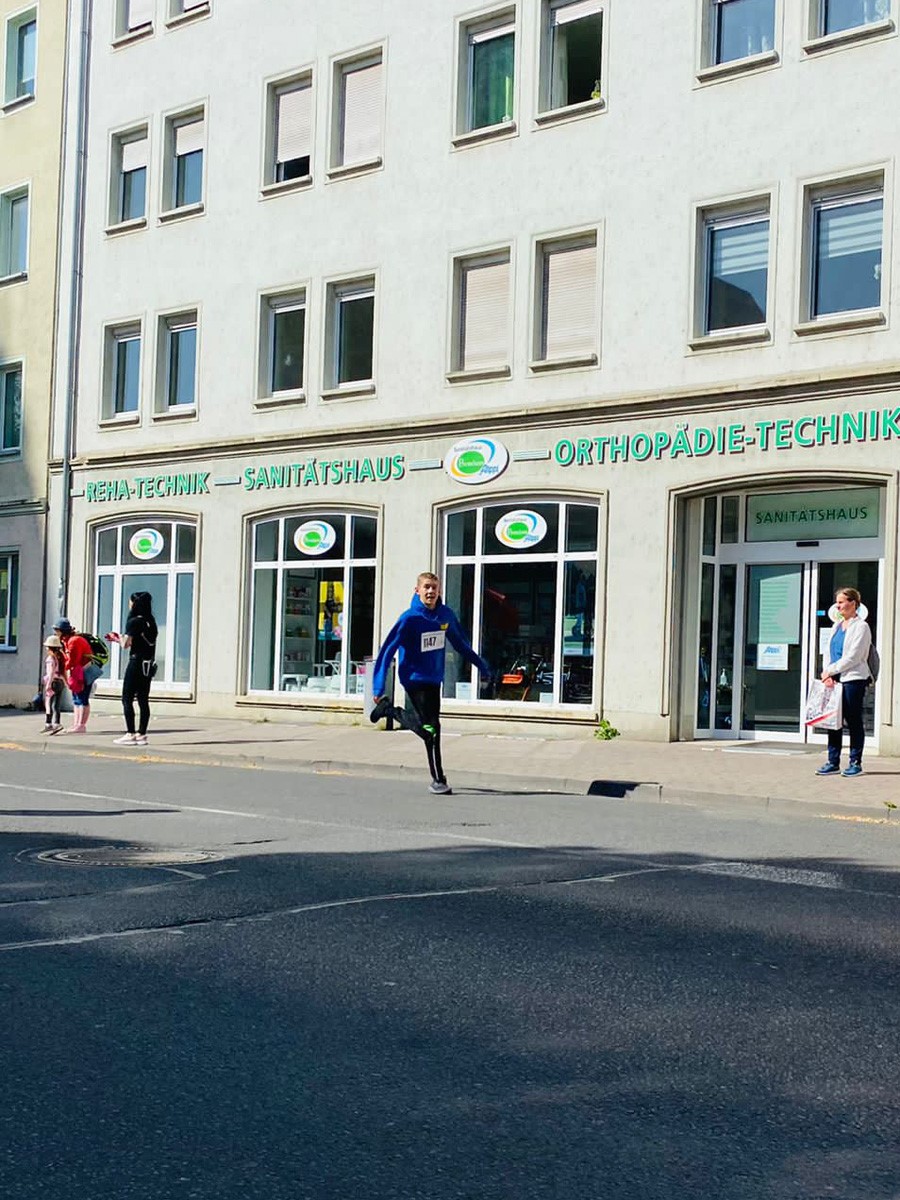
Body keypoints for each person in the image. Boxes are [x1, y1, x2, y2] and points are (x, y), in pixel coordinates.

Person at [370, 572, 491, 795]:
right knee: (431, 727)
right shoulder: (409, 618)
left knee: (432, 727)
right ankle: (438, 778)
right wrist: (378, 686)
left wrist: (481, 666)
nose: (430, 591)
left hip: (434, 678)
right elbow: (387, 650)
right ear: (417, 590)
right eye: (426, 587)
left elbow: (461, 644)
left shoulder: (445, 615)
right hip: (413, 678)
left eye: (434, 587)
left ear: (439, 591)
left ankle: (390, 711)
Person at [816, 586, 872, 777]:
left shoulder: (861, 627)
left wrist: (831, 670)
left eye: (841, 602)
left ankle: (855, 762)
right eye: (837, 602)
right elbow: (828, 652)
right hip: (834, 680)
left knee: (853, 720)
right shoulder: (836, 626)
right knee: (833, 720)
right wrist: (827, 674)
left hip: (853, 679)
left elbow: (854, 656)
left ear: (853, 603)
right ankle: (833, 761)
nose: (838, 606)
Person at [107, 591, 158, 747]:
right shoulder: (151, 621)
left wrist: (116, 638)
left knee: (127, 698)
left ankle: (130, 733)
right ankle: (142, 734)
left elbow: (126, 644)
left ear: (135, 604)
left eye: (131, 601)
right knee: (143, 699)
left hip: (136, 662)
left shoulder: (134, 621)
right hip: (148, 664)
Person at [53, 618, 94, 734]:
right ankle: (77, 724)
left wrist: (62, 665)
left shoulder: (73, 641)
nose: (56, 633)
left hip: (83, 672)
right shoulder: (68, 640)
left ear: (63, 631)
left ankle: (81, 725)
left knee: (82, 698)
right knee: (76, 699)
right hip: (78, 672)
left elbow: (73, 660)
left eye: (57, 630)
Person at [41, 634, 65, 735]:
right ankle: (57, 723)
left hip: (53, 682)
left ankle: (48, 724)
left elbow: (50, 672)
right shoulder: (59, 658)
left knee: (48, 703)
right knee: (57, 704)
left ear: (50, 648)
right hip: (59, 682)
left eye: (47, 647)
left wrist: (48, 684)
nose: (46, 648)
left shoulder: (50, 659)